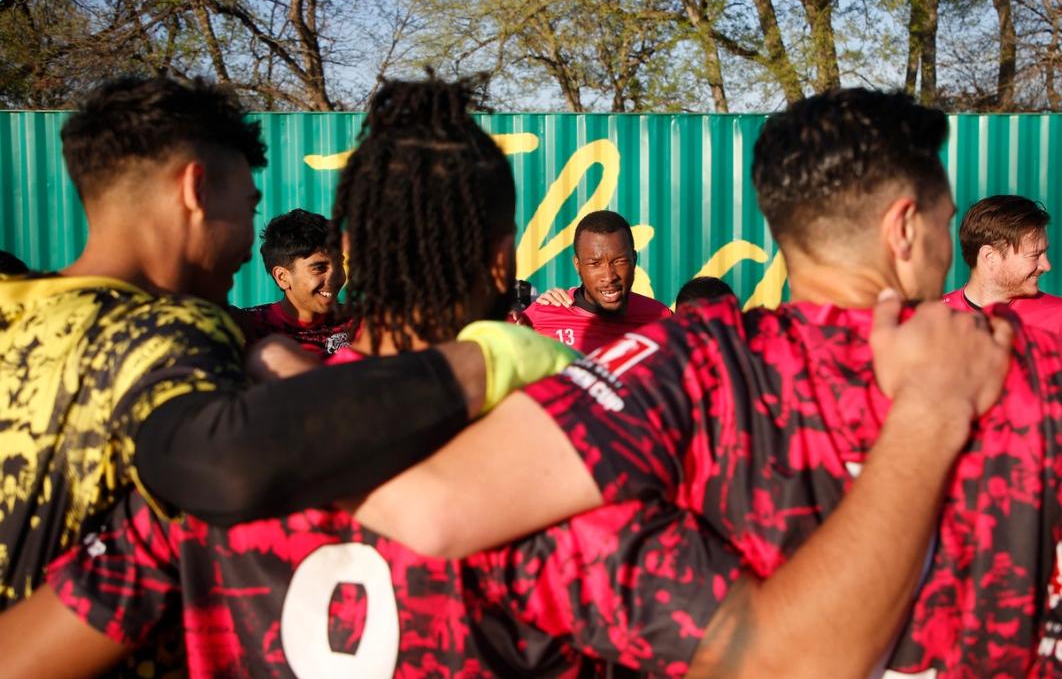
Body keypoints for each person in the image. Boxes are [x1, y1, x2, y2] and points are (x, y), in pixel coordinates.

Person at [0, 80, 1010, 679]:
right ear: (501, 260)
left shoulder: (217, 477)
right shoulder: (549, 494)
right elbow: (760, 654)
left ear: (351, 251)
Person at [340, 88, 1054, 676]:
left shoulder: (689, 361)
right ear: (903, 228)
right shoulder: (1032, 360)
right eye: (945, 221)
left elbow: (430, 508)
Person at [0, 75, 573, 609]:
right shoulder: (171, 334)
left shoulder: (11, 308)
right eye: (248, 208)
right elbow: (236, 464)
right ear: (196, 189)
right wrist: (490, 358)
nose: (251, 247)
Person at [518, 211, 671, 353]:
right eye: (595, 264)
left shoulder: (661, 318)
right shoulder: (539, 317)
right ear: (578, 265)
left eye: (619, 261)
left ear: (634, 260)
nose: (609, 276)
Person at [942, 194, 1062, 334]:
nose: (1046, 266)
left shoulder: (1057, 318)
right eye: (1034, 255)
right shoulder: (932, 321)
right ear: (989, 257)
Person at [238, 208, 351, 355]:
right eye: (319, 267)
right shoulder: (249, 328)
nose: (336, 276)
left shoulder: (358, 324)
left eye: (339, 264)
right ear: (282, 277)